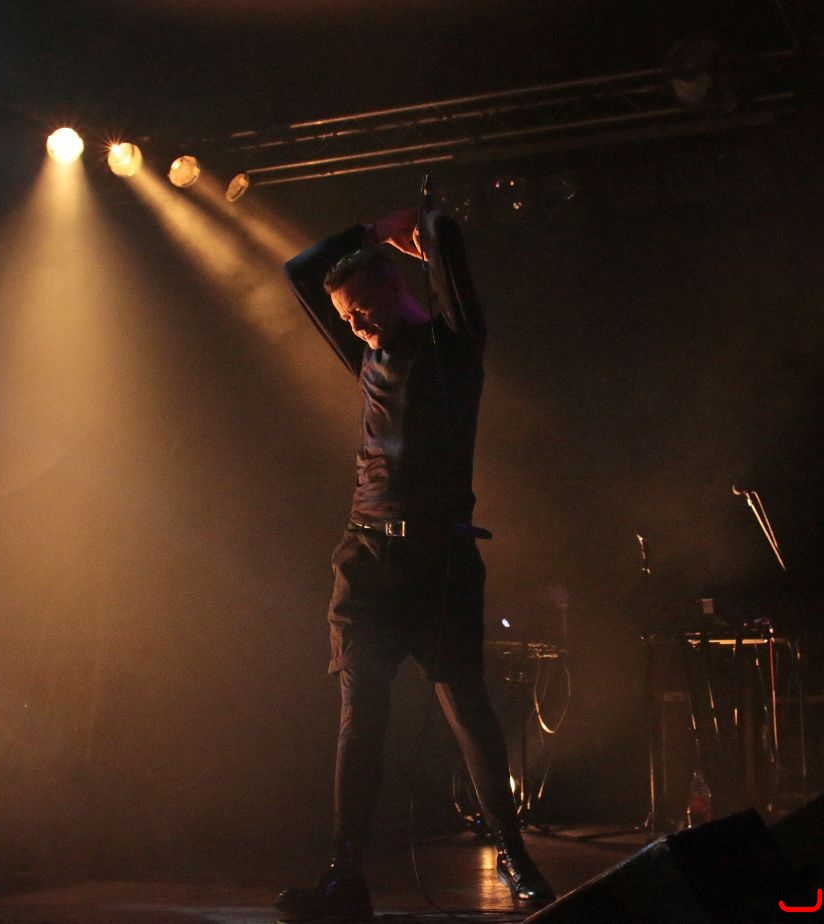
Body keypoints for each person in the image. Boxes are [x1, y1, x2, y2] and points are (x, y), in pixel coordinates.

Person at [275, 206, 554, 921]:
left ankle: (515, 857)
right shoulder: (366, 358)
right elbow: (300, 272)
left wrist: (424, 230)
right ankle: (344, 877)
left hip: (441, 559)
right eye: (348, 317)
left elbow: (447, 239)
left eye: (364, 308)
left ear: (398, 287)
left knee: (468, 710)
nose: (356, 324)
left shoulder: (453, 346)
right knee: (360, 716)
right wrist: (370, 230)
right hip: (367, 558)